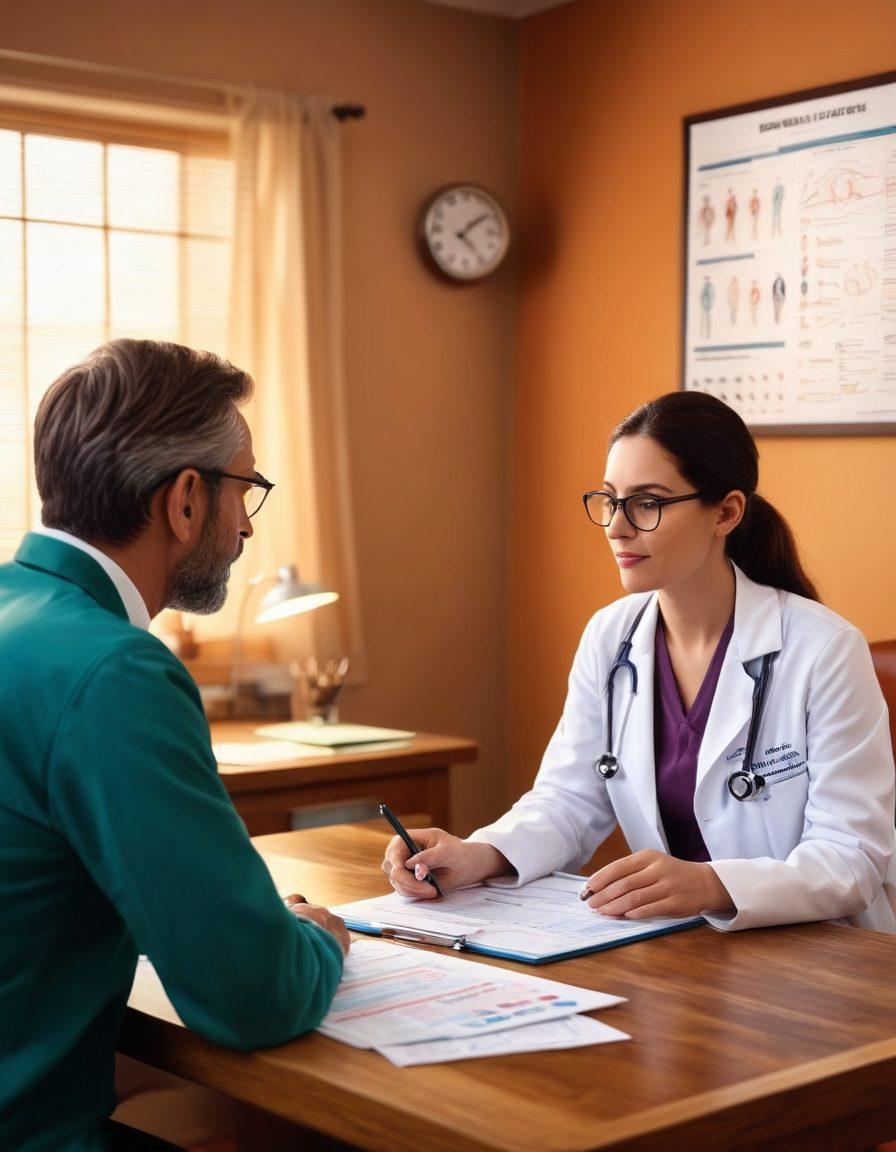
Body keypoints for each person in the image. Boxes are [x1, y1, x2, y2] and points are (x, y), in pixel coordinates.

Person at [0, 340, 349, 1152]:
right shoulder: (117, 671)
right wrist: (314, 941)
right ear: (186, 500)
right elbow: (252, 997)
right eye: (246, 492)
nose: (246, 528)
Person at [383, 391, 896, 934]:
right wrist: (479, 854)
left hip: (820, 958)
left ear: (726, 511)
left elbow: (852, 858)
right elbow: (568, 799)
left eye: (647, 503)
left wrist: (712, 884)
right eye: (610, 500)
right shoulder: (611, 636)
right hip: (678, 946)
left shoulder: (824, 650)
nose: (616, 528)